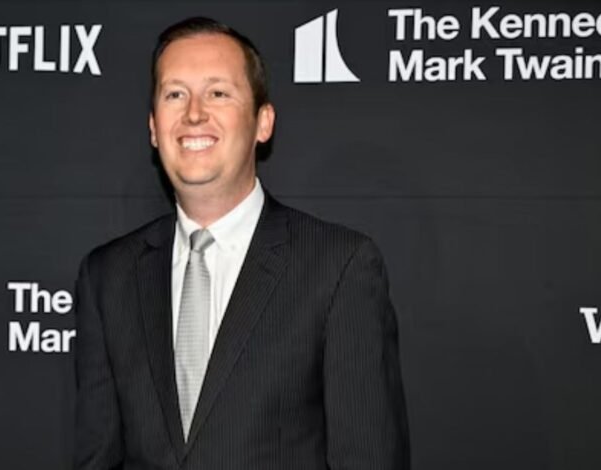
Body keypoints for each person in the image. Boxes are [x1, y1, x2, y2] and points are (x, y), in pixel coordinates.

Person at [74, 16, 409, 470]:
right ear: (153, 127)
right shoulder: (107, 276)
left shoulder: (338, 267)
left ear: (262, 122)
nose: (194, 113)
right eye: (175, 94)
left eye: (218, 93)